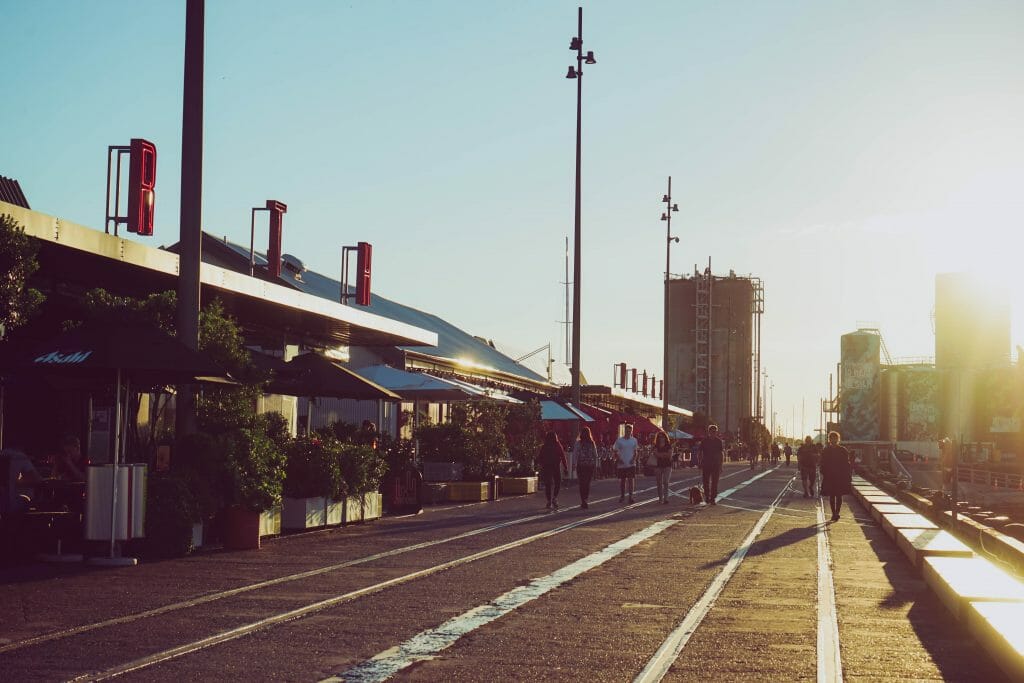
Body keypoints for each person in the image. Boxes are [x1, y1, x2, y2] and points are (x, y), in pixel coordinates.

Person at [819, 431, 852, 521]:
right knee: (832, 495)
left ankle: (837, 512)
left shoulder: (843, 450)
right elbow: (823, 463)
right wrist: (824, 472)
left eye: (835, 438)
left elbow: (847, 463)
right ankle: (834, 513)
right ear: (829, 439)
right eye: (832, 438)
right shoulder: (826, 450)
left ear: (838, 439)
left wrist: (848, 475)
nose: (833, 440)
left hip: (840, 476)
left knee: (839, 495)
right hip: (830, 476)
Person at [537, 431, 568, 510]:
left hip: (546, 466)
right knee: (558, 482)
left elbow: (540, 456)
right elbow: (563, 456)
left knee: (548, 484)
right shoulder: (557, 445)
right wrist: (565, 467)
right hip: (556, 466)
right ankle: (554, 497)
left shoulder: (545, 446)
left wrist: (540, 465)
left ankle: (549, 500)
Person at [572, 426, 599, 509]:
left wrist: (574, 464)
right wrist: (596, 465)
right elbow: (595, 455)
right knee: (587, 483)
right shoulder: (592, 443)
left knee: (582, 483)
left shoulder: (578, 443)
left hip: (581, 465)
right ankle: (586, 499)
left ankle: (583, 500)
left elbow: (575, 454)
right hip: (590, 465)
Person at [613, 424, 640, 504]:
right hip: (622, 463)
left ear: (631, 431)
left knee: (631, 480)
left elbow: (636, 451)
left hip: (631, 463)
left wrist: (633, 459)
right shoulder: (619, 440)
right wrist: (618, 459)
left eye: (629, 431)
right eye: (627, 431)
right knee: (622, 481)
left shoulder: (634, 440)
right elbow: (615, 450)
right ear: (624, 431)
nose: (628, 432)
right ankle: (622, 496)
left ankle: (631, 496)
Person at [700, 424, 724, 505]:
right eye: (712, 431)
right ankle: (707, 497)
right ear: (709, 432)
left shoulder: (719, 441)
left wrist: (721, 465)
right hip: (706, 464)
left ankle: (713, 498)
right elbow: (700, 452)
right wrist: (700, 461)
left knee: (715, 482)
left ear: (716, 432)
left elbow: (721, 453)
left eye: (714, 432)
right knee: (705, 482)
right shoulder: (704, 441)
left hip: (716, 464)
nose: (713, 433)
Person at [652, 431, 673, 504]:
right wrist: (664, 454)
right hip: (658, 465)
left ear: (665, 437)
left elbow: (669, 455)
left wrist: (660, 455)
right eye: (659, 437)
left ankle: (666, 498)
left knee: (666, 482)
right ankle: (660, 498)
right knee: (659, 483)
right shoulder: (656, 446)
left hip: (667, 465)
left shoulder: (668, 445)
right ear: (657, 438)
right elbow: (655, 454)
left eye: (662, 436)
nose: (661, 438)